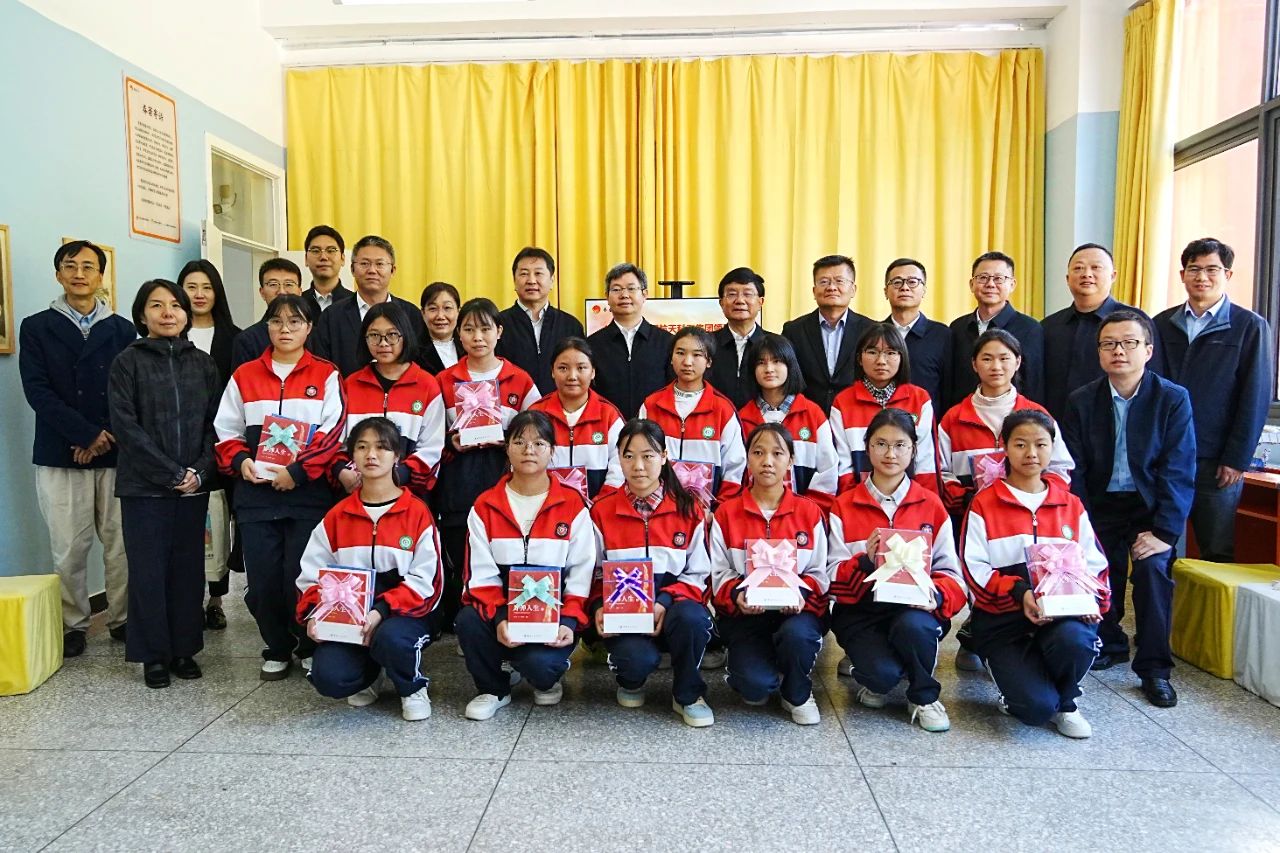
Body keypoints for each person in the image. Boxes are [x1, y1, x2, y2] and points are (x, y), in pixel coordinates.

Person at [1063, 311, 1196, 707]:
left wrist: (1165, 533)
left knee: (1153, 573)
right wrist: (1080, 522)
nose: (1118, 351)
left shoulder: (1171, 399)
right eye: (1109, 344)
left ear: (1148, 350)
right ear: (1099, 352)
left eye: (1129, 343)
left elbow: (1178, 469)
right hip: (1099, 505)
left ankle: (1155, 669)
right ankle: (1110, 642)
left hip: (1149, 509)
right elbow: (1074, 468)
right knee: (1098, 570)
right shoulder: (1082, 400)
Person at [214, 294, 346, 680]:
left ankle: (307, 644)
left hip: (308, 495)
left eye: (295, 322)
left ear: (309, 328)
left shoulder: (327, 374)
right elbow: (225, 430)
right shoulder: (245, 375)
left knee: (301, 576)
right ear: (267, 326)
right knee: (263, 581)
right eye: (276, 321)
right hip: (256, 496)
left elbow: (334, 433)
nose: (285, 329)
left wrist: (298, 472)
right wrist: (241, 461)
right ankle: (276, 645)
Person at [960, 410, 1108, 738]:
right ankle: (1023, 688)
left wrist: (1092, 600)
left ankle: (1067, 701)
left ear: (1052, 448)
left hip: (1062, 618)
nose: (1031, 453)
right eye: (1020, 444)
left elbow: (1096, 564)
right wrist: (1020, 593)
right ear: (1004, 447)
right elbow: (973, 569)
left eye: (1041, 444)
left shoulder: (1070, 504)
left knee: (1076, 640)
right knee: (1035, 709)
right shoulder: (984, 503)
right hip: (1003, 623)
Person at [19, 240, 135, 657]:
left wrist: (103, 436)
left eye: (89, 266)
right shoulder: (36, 326)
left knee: (120, 543)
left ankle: (123, 619)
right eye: (71, 266)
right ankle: (73, 624)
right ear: (59, 274)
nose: (80, 273)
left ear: (101, 276)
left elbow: (129, 391)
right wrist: (85, 435)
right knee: (68, 547)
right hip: (61, 452)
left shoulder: (122, 329)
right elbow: (38, 391)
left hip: (115, 452)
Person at [108, 279, 219, 688]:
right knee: (148, 572)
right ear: (142, 315)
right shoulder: (127, 362)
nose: (168, 312)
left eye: (175, 305)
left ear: (187, 314)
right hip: (143, 488)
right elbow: (126, 427)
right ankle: (153, 655)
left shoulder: (203, 364)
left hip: (192, 486)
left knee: (188, 570)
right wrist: (171, 474)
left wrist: (199, 471)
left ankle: (185, 648)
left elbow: (216, 424)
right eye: (156, 305)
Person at [826, 408, 966, 732]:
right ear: (867, 447)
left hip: (915, 611)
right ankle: (880, 670)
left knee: (914, 627)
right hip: (862, 613)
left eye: (900, 445)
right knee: (881, 677)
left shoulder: (931, 505)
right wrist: (864, 560)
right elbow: (830, 576)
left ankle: (924, 696)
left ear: (914, 450)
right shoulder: (843, 505)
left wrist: (935, 597)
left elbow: (952, 574)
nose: (890, 454)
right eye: (881, 444)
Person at [298, 417, 442, 722]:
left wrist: (381, 610)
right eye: (362, 447)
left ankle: (412, 686)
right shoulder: (337, 516)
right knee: (329, 677)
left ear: (397, 456)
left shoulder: (416, 513)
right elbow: (311, 575)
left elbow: (427, 580)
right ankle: (371, 673)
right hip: (350, 619)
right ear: (352, 456)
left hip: (405, 614)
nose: (371, 455)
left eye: (381, 447)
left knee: (392, 638)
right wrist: (315, 614)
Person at [455, 411, 596, 720]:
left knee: (541, 669)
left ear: (552, 451)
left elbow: (582, 571)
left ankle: (545, 673)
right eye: (519, 442)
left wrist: (568, 621)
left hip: (552, 617)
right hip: (502, 613)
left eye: (539, 443)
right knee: (468, 619)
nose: (529, 450)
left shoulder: (572, 505)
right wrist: (501, 618)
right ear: (506, 448)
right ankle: (493, 689)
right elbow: (480, 575)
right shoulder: (485, 505)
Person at [1153, 237, 1274, 562]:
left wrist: (1237, 458)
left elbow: (1255, 398)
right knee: (1159, 544)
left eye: (1212, 269)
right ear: (1182, 275)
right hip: (1166, 454)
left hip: (1217, 460)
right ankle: (1164, 599)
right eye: (1194, 269)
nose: (1202, 277)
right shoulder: (1161, 324)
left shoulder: (1249, 327)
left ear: (1227, 275)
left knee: (1216, 549)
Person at [589, 419, 715, 726]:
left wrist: (664, 601)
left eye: (648, 455)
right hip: (624, 616)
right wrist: (599, 605)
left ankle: (687, 694)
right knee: (634, 662)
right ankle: (631, 679)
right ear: (618, 458)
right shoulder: (601, 511)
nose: (638, 466)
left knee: (693, 619)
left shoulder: (689, 509)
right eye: (629, 456)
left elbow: (699, 574)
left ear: (664, 456)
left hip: (672, 609)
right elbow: (591, 572)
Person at [431, 298, 541, 638]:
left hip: (508, 484)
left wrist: (509, 440)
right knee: (463, 559)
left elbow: (539, 433)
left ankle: (516, 623)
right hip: (458, 487)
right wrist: (451, 442)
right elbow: (430, 437)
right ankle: (472, 629)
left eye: (485, 328)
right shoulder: (443, 380)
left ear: (499, 332)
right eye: (469, 329)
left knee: (507, 555)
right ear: (459, 335)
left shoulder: (520, 379)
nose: (477, 337)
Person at [709, 423, 830, 725]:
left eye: (777, 453)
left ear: (791, 461)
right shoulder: (727, 513)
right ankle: (761, 671)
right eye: (758, 453)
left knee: (797, 636)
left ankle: (797, 690)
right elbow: (718, 572)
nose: (767, 462)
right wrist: (737, 595)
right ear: (747, 458)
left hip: (797, 615)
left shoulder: (809, 512)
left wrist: (801, 594)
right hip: (746, 617)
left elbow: (820, 572)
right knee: (754, 689)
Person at [938, 330, 1072, 517]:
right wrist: (965, 499)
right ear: (974, 364)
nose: (996, 366)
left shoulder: (1038, 416)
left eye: (1004, 358)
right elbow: (940, 471)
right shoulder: (953, 419)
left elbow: (1060, 469)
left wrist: (1035, 497)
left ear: (1017, 362)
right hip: (970, 517)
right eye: (987, 359)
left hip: (1030, 516)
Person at [178, 259, 242, 630]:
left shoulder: (235, 338)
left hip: (223, 444)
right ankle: (186, 598)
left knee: (218, 522)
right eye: (191, 287)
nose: (199, 295)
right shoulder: (171, 333)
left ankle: (216, 599)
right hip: (180, 443)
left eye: (207, 287)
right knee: (187, 524)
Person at [333, 302, 444, 500]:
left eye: (392, 335)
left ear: (405, 336)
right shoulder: (351, 385)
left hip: (409, 495)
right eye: (374, 335)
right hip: (356, 493)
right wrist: (341, 471)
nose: (383, 343)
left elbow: (431, 448)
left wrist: (395, 477)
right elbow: (336, 442)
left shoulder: (427, 385)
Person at [1040, 243, 1160, 421]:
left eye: (1096, 267)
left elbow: (1154, 378)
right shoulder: (1049, 326)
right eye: (1078, 268)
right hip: (1058, 425)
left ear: (1113, 276)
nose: (1086, 274)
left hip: (1116, 423)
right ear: (1067, 278)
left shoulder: (1136, 322)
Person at [638, 326, 746, 506]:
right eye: (680, 353)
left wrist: (718, 509)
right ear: (671, 358)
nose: (687, 362)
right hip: (657, 510)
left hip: (708, 513)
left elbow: (735, 468)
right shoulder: (651, 405)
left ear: (708, 361)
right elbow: (638, 459)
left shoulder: (723, 410)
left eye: (697, 355)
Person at [829, 323, 940, 493]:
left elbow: (926, 463)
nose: (881, 361)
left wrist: (922, 503)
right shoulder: (843, 402)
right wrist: (854, 503)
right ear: (859, 358)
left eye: (890, 353)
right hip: (857, 501)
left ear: (902, 357)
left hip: (912, 501)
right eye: (872, 352)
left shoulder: (919, 399)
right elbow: (844, 468)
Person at [736, 333, 838, 510]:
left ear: (790, 365)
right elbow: (736, 475)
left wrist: (804, 512)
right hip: (752, 516)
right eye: (761, 362)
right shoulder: (742, 418)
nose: (769, 369)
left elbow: (827, 472)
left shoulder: (813, 415)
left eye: (777, 361)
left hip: (804, 518)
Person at [311, 235, 429, 376]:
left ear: (393, 270)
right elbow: (323, 368)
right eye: (364, 264)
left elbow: (420, 364)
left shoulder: (411, 314)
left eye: (380, 264)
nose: (372, 270)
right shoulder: (332, 316)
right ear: (352, 269)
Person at [529, 337, 624, 503]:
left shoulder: (609, 415)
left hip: (598, 510)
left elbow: (621, 467)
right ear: (552, 371)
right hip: (544, 509)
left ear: (593, 372)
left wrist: (600, 505)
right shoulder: (536, 414)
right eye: (563, 368)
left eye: (581, 368)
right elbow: (523, 465)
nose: (572, 376)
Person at [945, 252, 1044, 408]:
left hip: (1013, 416)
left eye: (998, 278)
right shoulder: (958, 327)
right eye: (983, 278)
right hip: (964, 415)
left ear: (1012, 284)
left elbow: (1034, 384)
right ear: (972, 284)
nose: (990, 284)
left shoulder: (1029, 328)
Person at [781, 254, 872, 414]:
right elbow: (788, 379)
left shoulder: (871, 330)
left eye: (839, 281)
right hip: (807, 417)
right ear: (814, 291)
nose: (831, 287)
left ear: (853, 289)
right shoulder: (793, 330)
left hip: (856, 417)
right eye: (824, 282)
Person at [586, 262, 674, 420]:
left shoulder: (666, 341)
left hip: (654, 426)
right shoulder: (591, 344)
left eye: (631, 288)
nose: (624, 295)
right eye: (616, 289)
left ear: (645, 294)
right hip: (607, 426)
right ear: (607, 296)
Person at [496, 247, 585, 395]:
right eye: (524, 274)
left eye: (538, 273)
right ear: (514, 280)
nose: (531, 280)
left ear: (552, 280)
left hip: (560, 405)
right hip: (512, 405)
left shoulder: (571, 325)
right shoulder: (498, 325)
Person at [882, 258, 951, 409]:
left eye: (912, 282)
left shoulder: (942, 334)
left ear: (924, 290)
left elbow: (949, 388)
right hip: (880, 419)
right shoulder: (874, 334)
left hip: (926, 420)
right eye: (897, 282)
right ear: (886, 291)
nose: (904, 288)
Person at [231, 258, 307, 372]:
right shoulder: (246, 340)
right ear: (262, 292)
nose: (281, 291)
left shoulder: (315, 336)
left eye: (288, 284)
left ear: (300, 291)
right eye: (273, 284)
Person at [708, 267, 767, 409]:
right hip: (715, 418)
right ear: (721, 302)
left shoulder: (773, 344)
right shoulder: (705, 344)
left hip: (761, 419)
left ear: (760, 302)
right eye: (732, 294)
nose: (740, 300)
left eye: (748, 294)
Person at [300, 224, 353, 316]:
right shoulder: (296, 304)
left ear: (343, 259)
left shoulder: (356, 304)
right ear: (306, 259)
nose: (323, 257)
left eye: (331, 250)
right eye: (316, 251)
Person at [419, 281, 462, 374]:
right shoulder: (412, 352)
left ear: (458, 312)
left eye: (447, 308)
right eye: (433, 308)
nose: (440, 316)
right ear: (423, 313)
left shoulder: (469, 347)